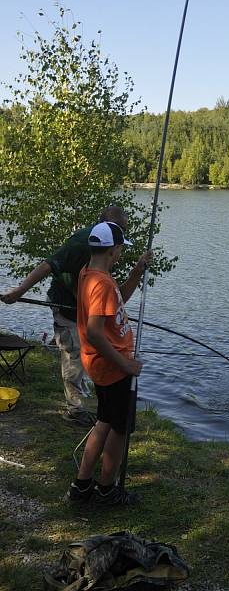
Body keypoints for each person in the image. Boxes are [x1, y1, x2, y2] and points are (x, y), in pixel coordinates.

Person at [1, 205, 131, 426]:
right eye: (118, 229)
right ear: (103, 225)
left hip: (86, 306)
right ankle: (75, 410)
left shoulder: (108, 249)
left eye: (123, 230)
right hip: (66, 306)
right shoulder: (83, 241)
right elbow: (48, 265)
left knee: (87, 354)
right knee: (74, 354)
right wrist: (19, 291)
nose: (121, 235)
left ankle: (85, 401)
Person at [66, 220, 151, 505]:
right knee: (119, 428)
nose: (122, 254)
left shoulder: (90, 273)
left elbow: (118, 302)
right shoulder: (100, 283)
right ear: (113, 250)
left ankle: (81, 485)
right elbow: (93, 332)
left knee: (103, 421)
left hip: (101, 364)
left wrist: (137, 272)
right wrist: (125, 365)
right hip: (112, 366)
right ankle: (106, 488)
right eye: (120, 249)